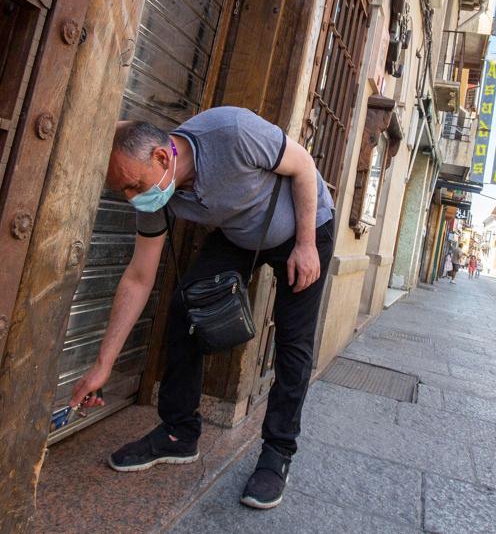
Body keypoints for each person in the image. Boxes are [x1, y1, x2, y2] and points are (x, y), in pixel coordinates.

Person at [68, 106, 336, 510]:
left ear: (161, 158)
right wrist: (103, 363)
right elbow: (140, 277)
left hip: (304, 225)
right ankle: (179, 433)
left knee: (293, 342)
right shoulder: (155, 195)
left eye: (132, 186)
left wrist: (305, 245)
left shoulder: (232, 131)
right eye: (122, 191)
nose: (132, 199)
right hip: (240, 233)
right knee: (184, 308)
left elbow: (302, 166)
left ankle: (277, 453)